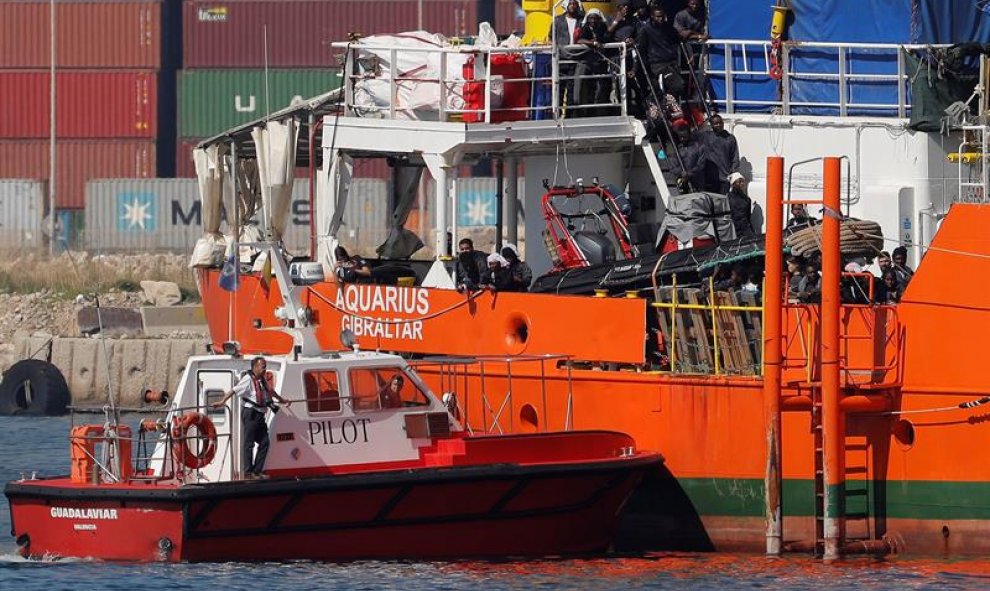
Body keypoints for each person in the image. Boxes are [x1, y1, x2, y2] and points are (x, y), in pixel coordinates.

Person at [212, 357, 292, 479]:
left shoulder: (262, 380)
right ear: (255, 367)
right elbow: (234, 390)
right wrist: (222, 401)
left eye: (265, 366)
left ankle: (257, 471)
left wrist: (282, 400)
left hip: (260, 415)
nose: (265, 369)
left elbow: (271, 392)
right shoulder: (248, 379)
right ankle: (248, 473)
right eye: (262, 366)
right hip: (251, 413)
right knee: (248, 444)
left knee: (265, 442)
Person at [636, 7, 685, 100]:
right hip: (656, 65)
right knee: (676, 85)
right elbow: (641, 50)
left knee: (679, 86)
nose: (661, 19)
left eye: (662, 16)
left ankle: (667, 102)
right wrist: (640, 68)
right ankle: (661, 102)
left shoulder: (670, 28)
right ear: (652, 16)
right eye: (658, 17)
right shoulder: (645, 30)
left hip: (671, 63)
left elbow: (679, 41)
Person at [574, 8, 612, 117]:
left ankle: (600, 112)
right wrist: (593, 43)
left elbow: (607, 37)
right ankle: (582, 112)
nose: (593, 20)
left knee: (601, 88)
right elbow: (580, 40)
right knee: (584, 87)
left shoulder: (602, 28)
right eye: (591, 18)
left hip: (600, 62)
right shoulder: (585, 28)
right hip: (587, 62)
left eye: (595, 18)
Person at [551, 0, 584, 116]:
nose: (573, 6)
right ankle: (557, 114)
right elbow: (551, 37)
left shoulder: (581, 21)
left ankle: (570, 115)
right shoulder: (558, 20)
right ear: (566, 5)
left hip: (575, 58)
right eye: (571, 3)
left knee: (572, 89)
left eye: (575, 4)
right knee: (559, 88)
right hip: (561, 59)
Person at [702, 115, 740, 193]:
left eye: (720, 123)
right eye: (716, 123)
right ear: (711, 125)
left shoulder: (730, 138)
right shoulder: (706, 137)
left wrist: (732, 173)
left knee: (722, 201)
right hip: (709, 178)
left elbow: (735, 157)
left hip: (724, 178)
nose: (719, 125)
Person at [669, 126, 706, 193]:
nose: (682, 139)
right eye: (681, 137)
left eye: (685, 137)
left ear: (689, 135)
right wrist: (681, 173)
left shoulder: (699, 147)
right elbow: (673, 167)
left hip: (697, 183)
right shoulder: (677, 149)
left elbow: (701, 164)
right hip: (683, 183)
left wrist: (689, 173)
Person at [726, 172, 754, 238]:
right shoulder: (727, 198)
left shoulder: (747, 199)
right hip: (733, 228)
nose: (742, 184)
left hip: (745, 228)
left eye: (742, 182)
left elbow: (748, 216)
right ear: (733, 183)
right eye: (739, 182)